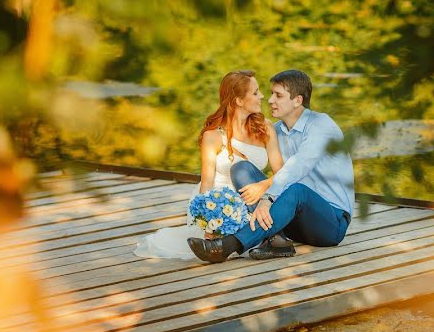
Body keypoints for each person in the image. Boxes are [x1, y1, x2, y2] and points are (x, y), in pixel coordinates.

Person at [188, 69, 355, 263]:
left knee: (297, 191)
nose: (269, 100)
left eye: (278, 95)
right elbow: (272, 172)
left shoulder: (321, 125)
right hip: (293, 219)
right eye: (271, 93)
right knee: (241, 168)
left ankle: (227, 246)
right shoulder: (276, 131)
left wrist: (266, 196)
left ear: (298, 100)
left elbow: (298, 166)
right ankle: (277, 240)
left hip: (330, 222)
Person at [134, 70, 283, 259]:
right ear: (238, 100)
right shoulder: (212, 136)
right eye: (255, 92)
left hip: (254, 197)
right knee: (236, 237)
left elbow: (282, 173)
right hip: (219, 201)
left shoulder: (265, 127)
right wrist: (209, 219)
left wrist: (264, 186)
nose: (262, 96)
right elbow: (206, 184)